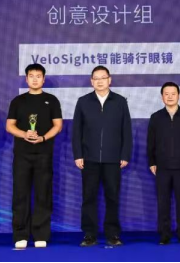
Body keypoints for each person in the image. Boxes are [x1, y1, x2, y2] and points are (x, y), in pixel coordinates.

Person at [72, 66, 132, 247]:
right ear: (91, 81)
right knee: (89, 197)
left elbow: (126, 130)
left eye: (103, 78)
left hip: (113, 159)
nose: (99, 81)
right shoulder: (83, 101)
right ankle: (89, 234)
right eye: (96, 78)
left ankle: (112, 234)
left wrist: (125, 154)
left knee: (112, 197)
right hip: (89, 158)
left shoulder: (120, 101)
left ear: (109, 80)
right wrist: (78, 154)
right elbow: (76, 131)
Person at [6, 64, 63, 250]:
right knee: (20, 194)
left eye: (39, 76)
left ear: (44, 79)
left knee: (43, 194)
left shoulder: (51, 100)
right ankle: (20, 234)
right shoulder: (18, 101)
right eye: (31, 76)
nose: (35, 79)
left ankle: (41, 234)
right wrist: (24, 134)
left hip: (44, 154)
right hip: (22, 155)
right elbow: (9, 126)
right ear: (26, 79)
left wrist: (43, 138)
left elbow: (58, 125)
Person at [147, 82, 180, 245]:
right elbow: (150, 142)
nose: (170, 97)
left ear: (179, 96)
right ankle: (164, 234)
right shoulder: (156, 117)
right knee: (163, 202)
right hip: (162, 167)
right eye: (166, 94)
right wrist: (152, 161)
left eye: (173, 94)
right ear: (162, 97)